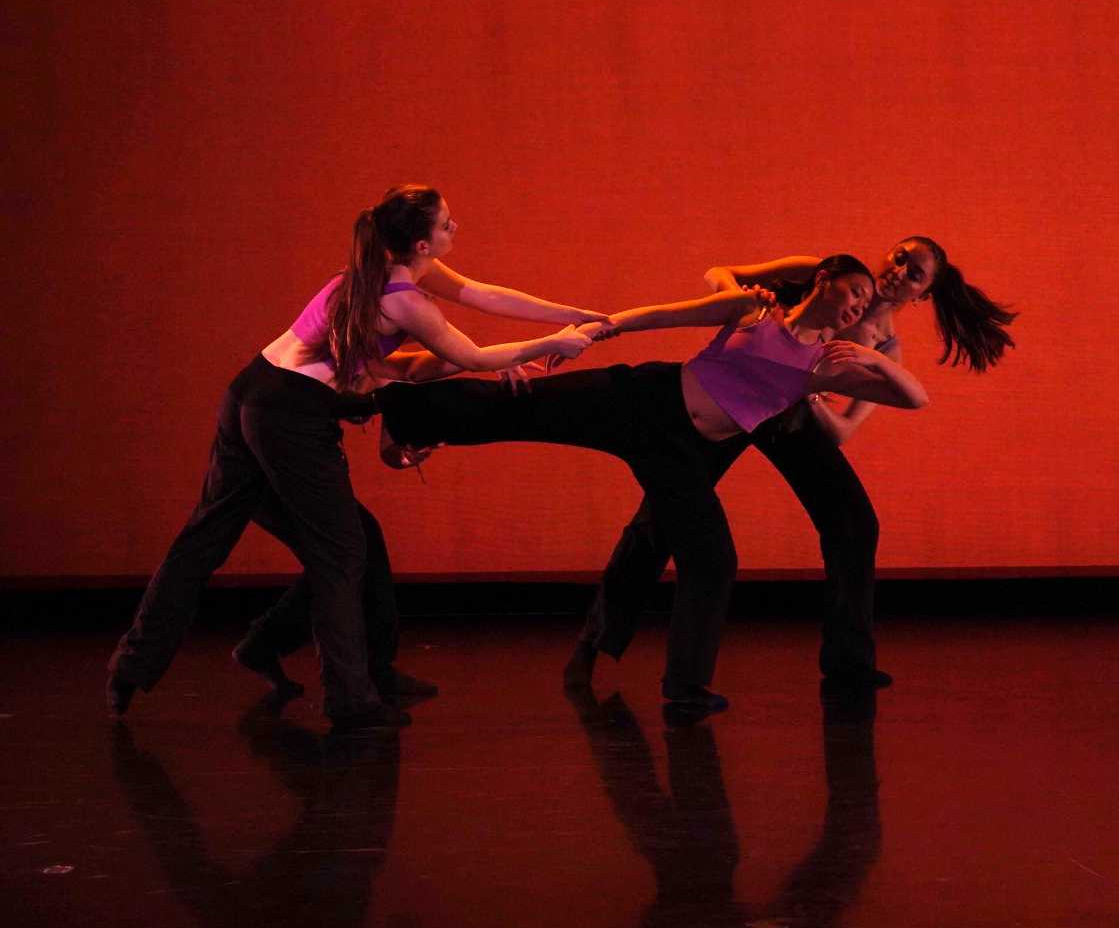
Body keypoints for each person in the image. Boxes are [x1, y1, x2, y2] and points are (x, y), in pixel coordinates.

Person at [106, 185, 601, 730]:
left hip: (251, 391)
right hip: (288, 416)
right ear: (420, 242)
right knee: (341, 550)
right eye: (446, 224)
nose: (454, 229)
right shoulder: (405, 299)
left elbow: (482, 300)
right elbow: (471, 354)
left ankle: (140, 665)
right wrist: (550, 343)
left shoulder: (387, 272)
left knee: (260, 534)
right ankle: (351, 697)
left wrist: (569, 314)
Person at [374, 255, 929, 711]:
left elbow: (914, 397)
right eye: (853, 290)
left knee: (712, 559)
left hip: (683, 455)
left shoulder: (825, 364)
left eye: (863, 299)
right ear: (824, 280)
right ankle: (398, 409)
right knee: (523, 407)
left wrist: (872, 360)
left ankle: (685, 688)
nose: (859, 303)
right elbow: (664, 315)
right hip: (642, 401)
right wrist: (591, 331)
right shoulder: (754, 310)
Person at [564, 235, 1016, 690]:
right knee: (662, 516)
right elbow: (719, 272)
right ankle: (592, 645)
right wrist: (750, 298)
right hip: (735, 397)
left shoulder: (885, 350)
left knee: (854, 522)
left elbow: (840, 433)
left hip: (791, 417)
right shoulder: (822, 273)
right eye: (899, 258)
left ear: (923, 295)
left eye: (914, 274)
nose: (899, 271)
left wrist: (807, 392)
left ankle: (849, 664)